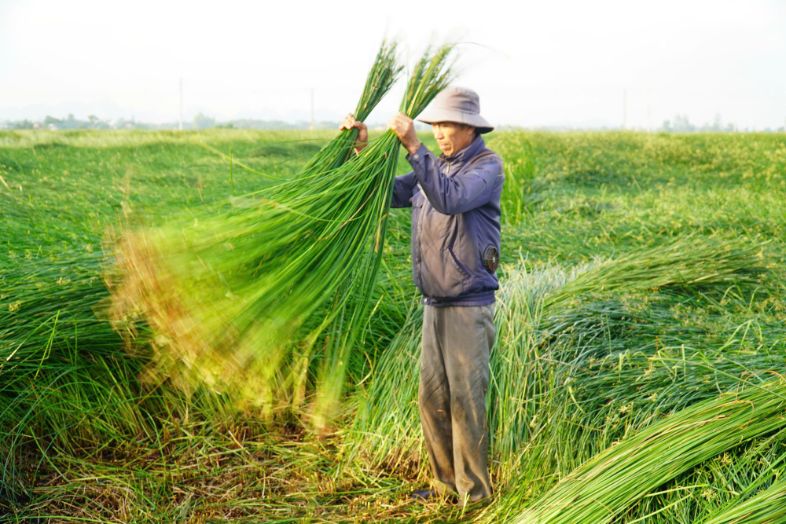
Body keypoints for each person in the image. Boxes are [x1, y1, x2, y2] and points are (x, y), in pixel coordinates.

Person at [341, 86, 503, 503]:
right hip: (434, 302)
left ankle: (476, 495)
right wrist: (361, 151)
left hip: (468, 304)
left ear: (470, 128)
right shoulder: (435, 166)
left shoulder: (486, 168)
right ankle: (445, 486)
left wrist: (413, 146)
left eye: (450, 125)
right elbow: (390, 192)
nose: (442, 133)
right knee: (432, 399)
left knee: (467, 400)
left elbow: (451, 200)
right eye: (437, 126)